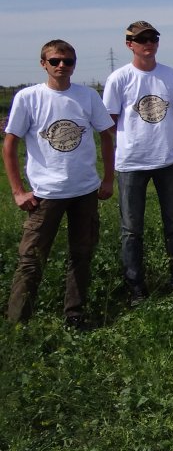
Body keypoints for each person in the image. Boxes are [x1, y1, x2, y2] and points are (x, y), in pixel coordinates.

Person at [4, 40, 114, 328]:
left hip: (85, 191)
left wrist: (108, 178)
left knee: (82, 254)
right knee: (31, 259)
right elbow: (10, 144)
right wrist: (18, 191)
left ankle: (74, 315)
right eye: (54, 61)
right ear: (44, 64)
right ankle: (18, 323)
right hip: (45, 194)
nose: (61, 66)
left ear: (74, 64)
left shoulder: (87, 96)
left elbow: (106, 135)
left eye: (68, 61)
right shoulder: (28, 98)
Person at [103, 21, 173, 304]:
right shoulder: (119, 78)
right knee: (131, 229)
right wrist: (126, 145)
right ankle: (136, 287)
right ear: (129, 44)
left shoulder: (170, 76)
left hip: (168, 161)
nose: (149, 44)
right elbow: (109, 122)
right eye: (142, 40)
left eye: (153, 38)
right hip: (131, 163)